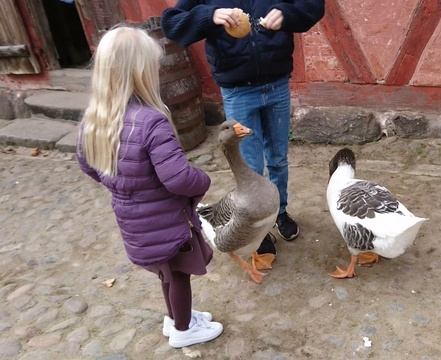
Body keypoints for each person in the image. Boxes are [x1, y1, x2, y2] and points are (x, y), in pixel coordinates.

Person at [76, 27, 223, 348]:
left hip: (132, 222)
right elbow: (178, 178)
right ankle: (184, 331)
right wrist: (205, 181)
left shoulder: (94, 119)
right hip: (166, 223)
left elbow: (87, 164)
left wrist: (121, 186)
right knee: (179, 275)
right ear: (142, 72)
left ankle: (175, 319)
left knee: (165, 274)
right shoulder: (151, 121)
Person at [161, 0, 325, 258]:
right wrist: (209, 15)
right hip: (238, 91)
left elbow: (314, 6)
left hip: (277, 85)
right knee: (249, 164)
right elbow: (171, 23)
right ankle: (259, 224)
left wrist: (287, 14)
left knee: (278, 159)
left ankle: (278, 212)